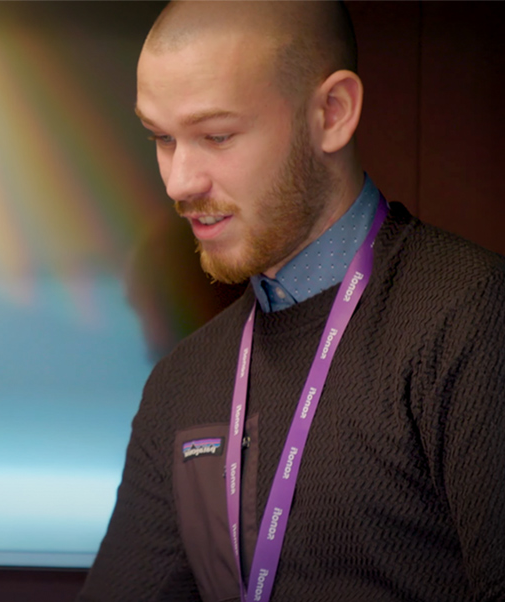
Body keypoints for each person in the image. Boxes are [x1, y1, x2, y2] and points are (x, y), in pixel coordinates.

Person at [79, 1, 505, 601]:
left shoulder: (472, 319)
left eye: (216, 136)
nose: (179, 181)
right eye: (162, 138)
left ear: (332, 113)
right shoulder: (183, 383)